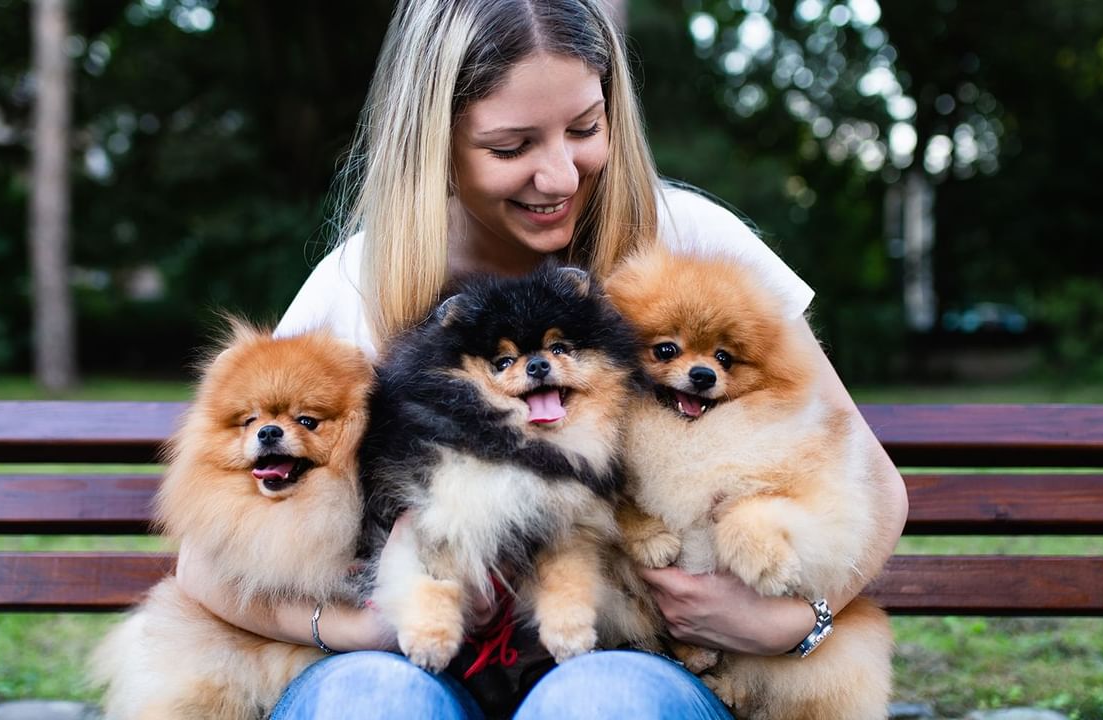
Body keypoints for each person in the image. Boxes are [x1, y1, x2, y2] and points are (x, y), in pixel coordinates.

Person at [175, 0, 910, 717]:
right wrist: (352, 629)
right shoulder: (358, 283)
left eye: (586, 128)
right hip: (408, 669)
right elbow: (202, 566)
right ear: (432, 141)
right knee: (369, 697)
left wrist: (795, 621)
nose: (559, 176)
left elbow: (870, 481)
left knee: (602, 699)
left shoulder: (688, 238)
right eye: (512, 147)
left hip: (639, 667)